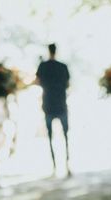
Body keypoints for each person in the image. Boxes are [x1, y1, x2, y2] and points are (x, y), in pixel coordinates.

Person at [36, 43, 71, 175]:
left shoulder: (43, 66)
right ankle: (67, 165)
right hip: (61, 103)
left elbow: (37, 81)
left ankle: (54, 167)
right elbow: (68, 84)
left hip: (48, 103)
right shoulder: (62, 67)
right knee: (65, 135)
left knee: (50, 136)